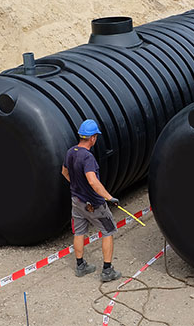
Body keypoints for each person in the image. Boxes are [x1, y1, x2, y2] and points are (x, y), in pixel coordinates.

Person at [62, 119, 123, 282]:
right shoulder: (87, 157)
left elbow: (64, 172)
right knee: (108, 231)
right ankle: (107, 271)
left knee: (79, 232)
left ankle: (80, 266)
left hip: (76, 201)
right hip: (93, 204)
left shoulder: (71, 152)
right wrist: (109, 197)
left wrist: (76, 187)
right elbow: (93, 181)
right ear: (93, 138)